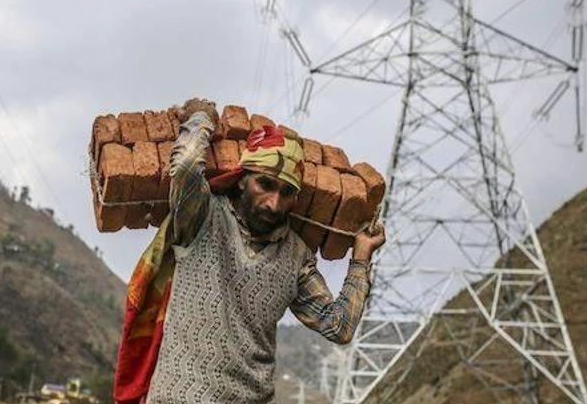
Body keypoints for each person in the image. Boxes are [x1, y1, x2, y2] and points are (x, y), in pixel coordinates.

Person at [114, 98, 386, 404]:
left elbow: (339, 327)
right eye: (265, 185)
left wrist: (361, 258)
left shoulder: (296, 257)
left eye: (286, 193)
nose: (273, 203)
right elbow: (187, 166)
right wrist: (201, 116)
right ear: (242, 181)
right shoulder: (201, 214)